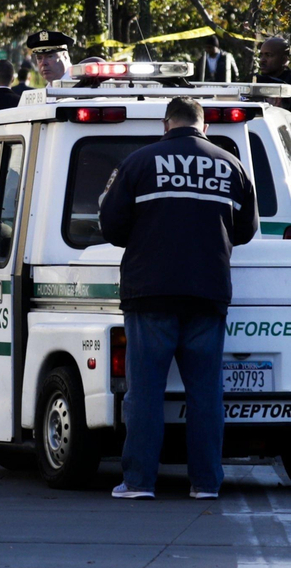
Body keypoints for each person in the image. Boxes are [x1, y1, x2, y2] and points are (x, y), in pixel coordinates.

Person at [99, 96, 258, 499]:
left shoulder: (139, 162)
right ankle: (206, 483)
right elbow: (245, 230)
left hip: (150, 292)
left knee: (146, 392)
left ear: (166, 125)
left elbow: (112, 226)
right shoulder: (231, 165)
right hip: (208, 292)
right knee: (205, 393)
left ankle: (138, 482)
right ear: (204, 127)